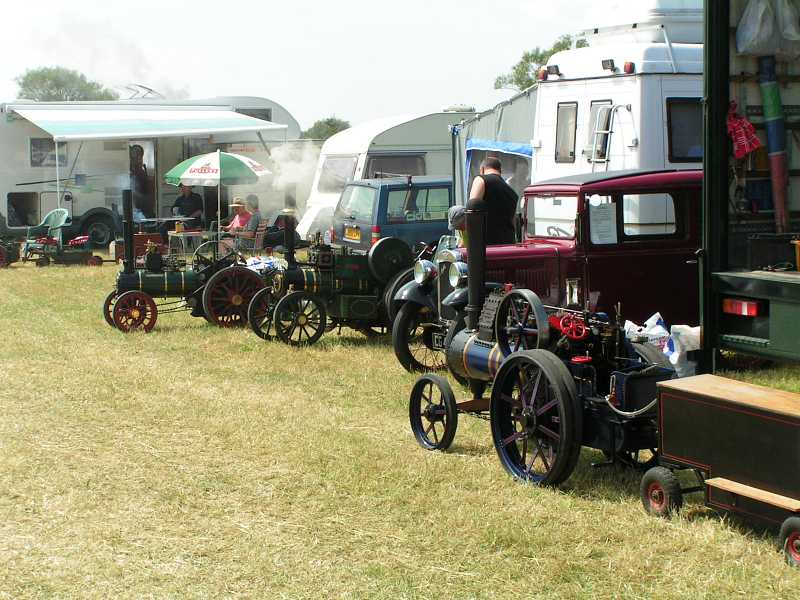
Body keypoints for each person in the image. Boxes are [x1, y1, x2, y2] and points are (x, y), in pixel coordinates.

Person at [468, 156, 518, 245]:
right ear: (500, 171)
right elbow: (513, 221)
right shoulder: (512, 193)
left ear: (482, 169)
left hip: (487, 244)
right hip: (508, 243)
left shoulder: (481, 179)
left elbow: (472, 208)